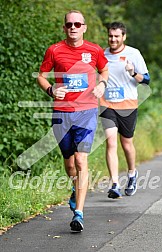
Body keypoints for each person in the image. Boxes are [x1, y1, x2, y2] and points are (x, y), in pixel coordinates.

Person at [37, 10, 108, 232]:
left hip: (86, 112)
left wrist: (102, 85)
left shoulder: (94, 50)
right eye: (69, 24)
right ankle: (75, 187)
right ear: (64, 28)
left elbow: (104, 70)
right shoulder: (54, 50)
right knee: (69, 165)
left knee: (81, 160)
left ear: (84, 27)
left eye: (78, 24)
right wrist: (51, 89)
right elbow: (41, 75)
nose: (73, 28)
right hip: (61, 113)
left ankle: (79, 213)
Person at [100, 22, 150, 199]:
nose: (113, 39)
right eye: (110, 36)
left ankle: (132, 174)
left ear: (123, 37)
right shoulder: (102, 54)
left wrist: (133, 72)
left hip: (128, 105)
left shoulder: (133, 53)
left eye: (116, 36)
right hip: (107, 104)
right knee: (111, 142)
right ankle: (114, 184)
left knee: (126, 143)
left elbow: (146, 79)